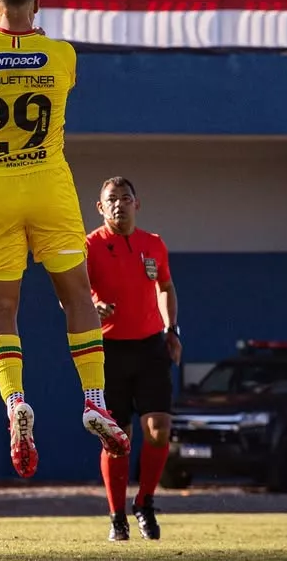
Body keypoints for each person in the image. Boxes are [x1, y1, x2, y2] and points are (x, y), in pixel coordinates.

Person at [0, 0, 129, 479]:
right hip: (49, 184)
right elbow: (40, 53)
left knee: (1, 309)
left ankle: (15, 403)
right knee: (76, 296)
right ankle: (94, 401)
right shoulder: (63, 55)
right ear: (38, 2)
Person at [85, 177, 180, 542]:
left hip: (150, 347)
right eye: (112, 199)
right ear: (100, 207)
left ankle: (145, 502)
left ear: (137, 204)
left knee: (159, 431)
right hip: (109, 351)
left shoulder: (153, 244)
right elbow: (72, 296)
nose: (119, 205)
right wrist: (93, 306)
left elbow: (166, 287)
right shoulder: (90, 246)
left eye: (126, 198)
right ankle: (117, 516)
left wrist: (172, 330)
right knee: (116, 438)